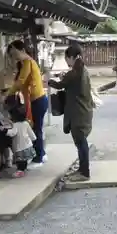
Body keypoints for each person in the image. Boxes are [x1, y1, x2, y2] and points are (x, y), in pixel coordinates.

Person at [48, 44, 94, 182]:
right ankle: (82, 169)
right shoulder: (81, 69)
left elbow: (60, 85)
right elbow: (68, 82)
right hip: (83, 110)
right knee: (81, 141)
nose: (67, 61)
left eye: (67, 58)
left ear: (71, 57)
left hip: (78, 112)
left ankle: (84, 172)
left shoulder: (75, 72)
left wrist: (49, 80)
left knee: (81, 142)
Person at [3, 40, 48, 168]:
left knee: (36, 129)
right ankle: (40, 154)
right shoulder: (25, 63)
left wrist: (7, 94)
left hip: (38, 100)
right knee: (36, 128)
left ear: (22, 50)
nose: (14, 57)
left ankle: (39, 158)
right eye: (12, 55)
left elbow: (21, 82)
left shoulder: (28, 62)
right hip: (37, 100)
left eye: (14, 53)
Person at [5, 105, 37, 178]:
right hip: (27, 145)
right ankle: (24, 169)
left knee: (20, 161)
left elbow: (13, 132)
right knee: (24, 159)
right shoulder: (26, 123)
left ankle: (20, 171)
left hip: (19, 146)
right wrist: (34, 138)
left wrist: (6, 131)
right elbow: (31, 133)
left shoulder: (15, 125)